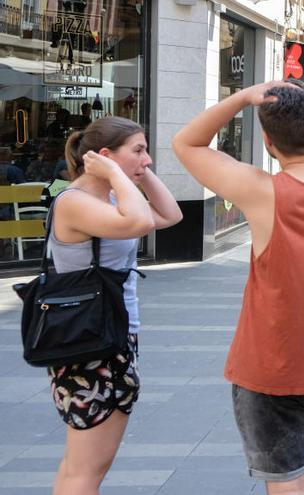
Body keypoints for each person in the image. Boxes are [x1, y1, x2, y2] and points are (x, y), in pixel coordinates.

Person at [172, 80, 304, 495]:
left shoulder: (262, 190)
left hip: (271, 365)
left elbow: (187, 144)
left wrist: (242, 97)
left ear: (268, 142)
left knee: (287, 477)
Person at [48, 117, 182, 494]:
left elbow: (171, 215)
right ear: (105, 156)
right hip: (88, 344)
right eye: (138, 150)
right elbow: (139, 221)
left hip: (111, 336)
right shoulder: (75, 202)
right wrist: (117, 174)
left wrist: (135, 173)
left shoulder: (108, 199)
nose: (148, 159)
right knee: (85, 469)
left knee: (84, 466)